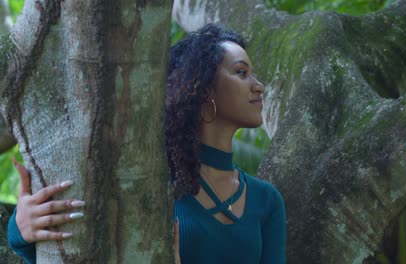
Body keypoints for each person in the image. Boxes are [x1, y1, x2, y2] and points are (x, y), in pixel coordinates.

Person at [7, 23, 286, 264]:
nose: (258, 85)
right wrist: (20, 231)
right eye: (241, 72)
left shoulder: (266, 200)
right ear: (202, 88)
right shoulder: (146, 180)